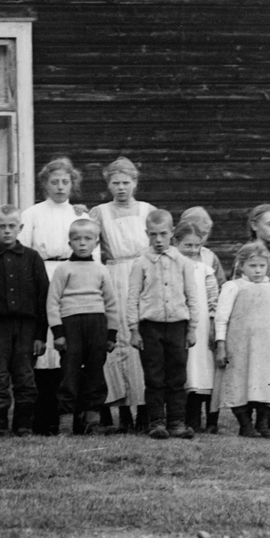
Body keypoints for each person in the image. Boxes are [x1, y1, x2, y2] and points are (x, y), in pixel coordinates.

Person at [18, 156, 90, 430]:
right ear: (44, 185)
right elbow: (24, 253)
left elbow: (91, 253)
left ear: (73, 184)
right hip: (42, 276)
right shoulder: (33, 214)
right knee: (45, 343)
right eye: (54, 182)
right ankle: (43, 416)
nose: (60, 187)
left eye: (65, 181)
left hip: (74, 278)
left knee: (70, 344)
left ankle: (71, 414)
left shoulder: (79, 214)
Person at [90, 157, 156, 425]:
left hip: (142, 276)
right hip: (113, 276)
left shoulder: (147, 210)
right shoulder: (99, 212)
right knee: (116, 339)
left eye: (126, 182)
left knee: (140, 338)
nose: (121, 188)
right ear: (108, 184)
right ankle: (121, 410)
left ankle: (143, 409)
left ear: (135, 183)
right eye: (115, 183)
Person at [0, 204, 50, 435]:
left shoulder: (32, 258)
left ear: (20, 228)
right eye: (1, 226)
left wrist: (40, 335)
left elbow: (42, 298)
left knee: (25, 375)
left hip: (27, 328)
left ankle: (23, 424)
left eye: (11, 226)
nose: (7, 231)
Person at [129, 207, 201, 439]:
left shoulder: (183, 263)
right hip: (150, 327)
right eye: (153, 234)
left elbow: (192, 296)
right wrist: (133, 329)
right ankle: (156, 422)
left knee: (177, 376)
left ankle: (177, 421)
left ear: (172, 233)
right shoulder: (140, 263)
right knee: (154, 375)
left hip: (178, 327)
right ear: (146, 234)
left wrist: (192, 328)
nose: (158, 240)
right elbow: (132, 297)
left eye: (163, 234)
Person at [47, 217, 118, 436]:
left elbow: (112, 303)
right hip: (71, 325)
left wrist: (111, 334)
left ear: (96, 243)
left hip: (96, 324)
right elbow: (52, 302)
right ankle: (66, 422)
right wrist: (58, 333)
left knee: (96, 374)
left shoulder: (101, 270)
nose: (82, 243)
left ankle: (92, 421)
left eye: (88, 239)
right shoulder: (63, 269)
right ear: (70, 244)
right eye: (77, 239)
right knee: (70, 373)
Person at [215, 240, 270, 436]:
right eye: (252, 266)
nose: (257, 271)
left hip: (267, 348)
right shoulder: (233, 287)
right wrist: (220, 344)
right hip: (240, 347)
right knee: (240, 383)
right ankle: (245, 424)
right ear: (242, 265)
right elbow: (222, 317)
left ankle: (262, 424)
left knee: (265, 383)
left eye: (262, 266)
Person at [175, 206, 223, 433]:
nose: (195, 248)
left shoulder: (208, 262)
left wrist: (214, 320)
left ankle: (202, 419)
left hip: (202, 322)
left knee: (200, 368)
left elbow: (215, 292)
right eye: (189, 244)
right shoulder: (172, 260)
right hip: (178, 318)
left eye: (200, 241)